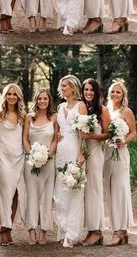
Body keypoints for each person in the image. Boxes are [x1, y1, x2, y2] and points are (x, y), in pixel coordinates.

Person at [54, 75, 87, 247]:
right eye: (61, 86)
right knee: (60, 193)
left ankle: (72, 234)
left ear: (73, 87)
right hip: (60, 152)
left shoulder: (81, 106)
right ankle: (62, 229)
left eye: (65, 85)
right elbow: (57, 130)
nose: (62, 88)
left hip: (74, 151)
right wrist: (57, 135)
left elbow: (84, 133)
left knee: (74, 191)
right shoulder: (60, 107)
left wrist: (81, 153)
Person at [23, 88, 58, 244]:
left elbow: (56, 139)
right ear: (35, 101)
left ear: (49, 100)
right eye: (39, 99)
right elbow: (24, 138)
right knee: (31, 196)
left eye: (45, 99)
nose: (42, 101)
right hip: (31, 163)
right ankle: (31, 230)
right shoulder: (28, 118)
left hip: (49, 162)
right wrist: (31, 154)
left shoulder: (54, 118)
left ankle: (44, 230)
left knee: (46, 197)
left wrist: (49, 154)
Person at [104, 81, 136, 245]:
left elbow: (133, 133)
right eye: (113, 92)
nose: (115, 94)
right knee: (109, 190)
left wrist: (124, 140)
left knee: (119, 190)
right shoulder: (107, 110)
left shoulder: (126, 111)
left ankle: (118, 230)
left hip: (120, 152)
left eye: (118, 92)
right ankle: (121, 230)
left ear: (123, 95)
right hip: (107, 152)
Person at [0, 83, 26, 246]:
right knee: (4, 194)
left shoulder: (23, 116)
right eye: (9, 94)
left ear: (19, 97)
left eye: (15, 94)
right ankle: (2, 230)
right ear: (5, 96)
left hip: (19, 157)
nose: (12, 97)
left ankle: (8, 227)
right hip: (3, 158)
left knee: (15, 195)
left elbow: (26, 138)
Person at [81, 78, 110, 246]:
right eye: (86, 90)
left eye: (91, 90)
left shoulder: (103, 110)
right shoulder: (83, 108)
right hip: (84, 153)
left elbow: (107, 134)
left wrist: (92, 136)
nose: (88, 93)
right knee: (86, 192)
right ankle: (91, 229)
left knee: (94, 190)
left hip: (96, 151)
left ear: (97, 92)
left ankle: (97, 231)